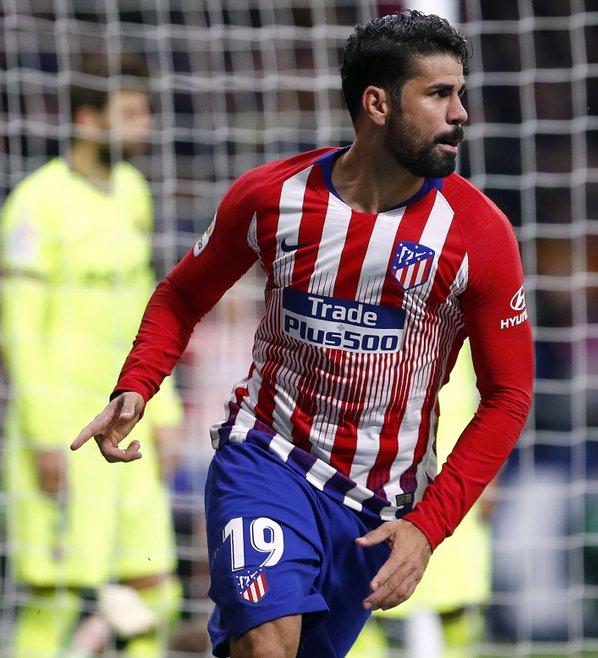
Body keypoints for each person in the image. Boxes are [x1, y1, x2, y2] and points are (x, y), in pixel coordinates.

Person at [70, 10, 533, 658]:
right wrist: (137, 385)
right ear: (376, 103)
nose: (461, 113)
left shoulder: (479, 235)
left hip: (374, 506)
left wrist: (427, 529)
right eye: (438, 94)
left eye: (461, 93)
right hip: (265, 458)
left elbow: (509, 395)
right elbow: (182, 293)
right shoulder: (273, 198)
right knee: (267, 647)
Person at [0, 52, 185, 658]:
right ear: (87, 119)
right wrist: (42, 436)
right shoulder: (35, 204)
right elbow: (19, 333)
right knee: (54, 599)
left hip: (127, 419)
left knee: (153, 591)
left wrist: (166, 412)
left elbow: (148, 315)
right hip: (65, 434)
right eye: (130, 113)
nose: (145, 126)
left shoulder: (132, 191)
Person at [348, 341, 494, 658]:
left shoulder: (472, 313)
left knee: (457, 600)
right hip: (382, 471)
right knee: (361, 596)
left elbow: (503, 397)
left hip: (456, 475)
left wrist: (492, 478)